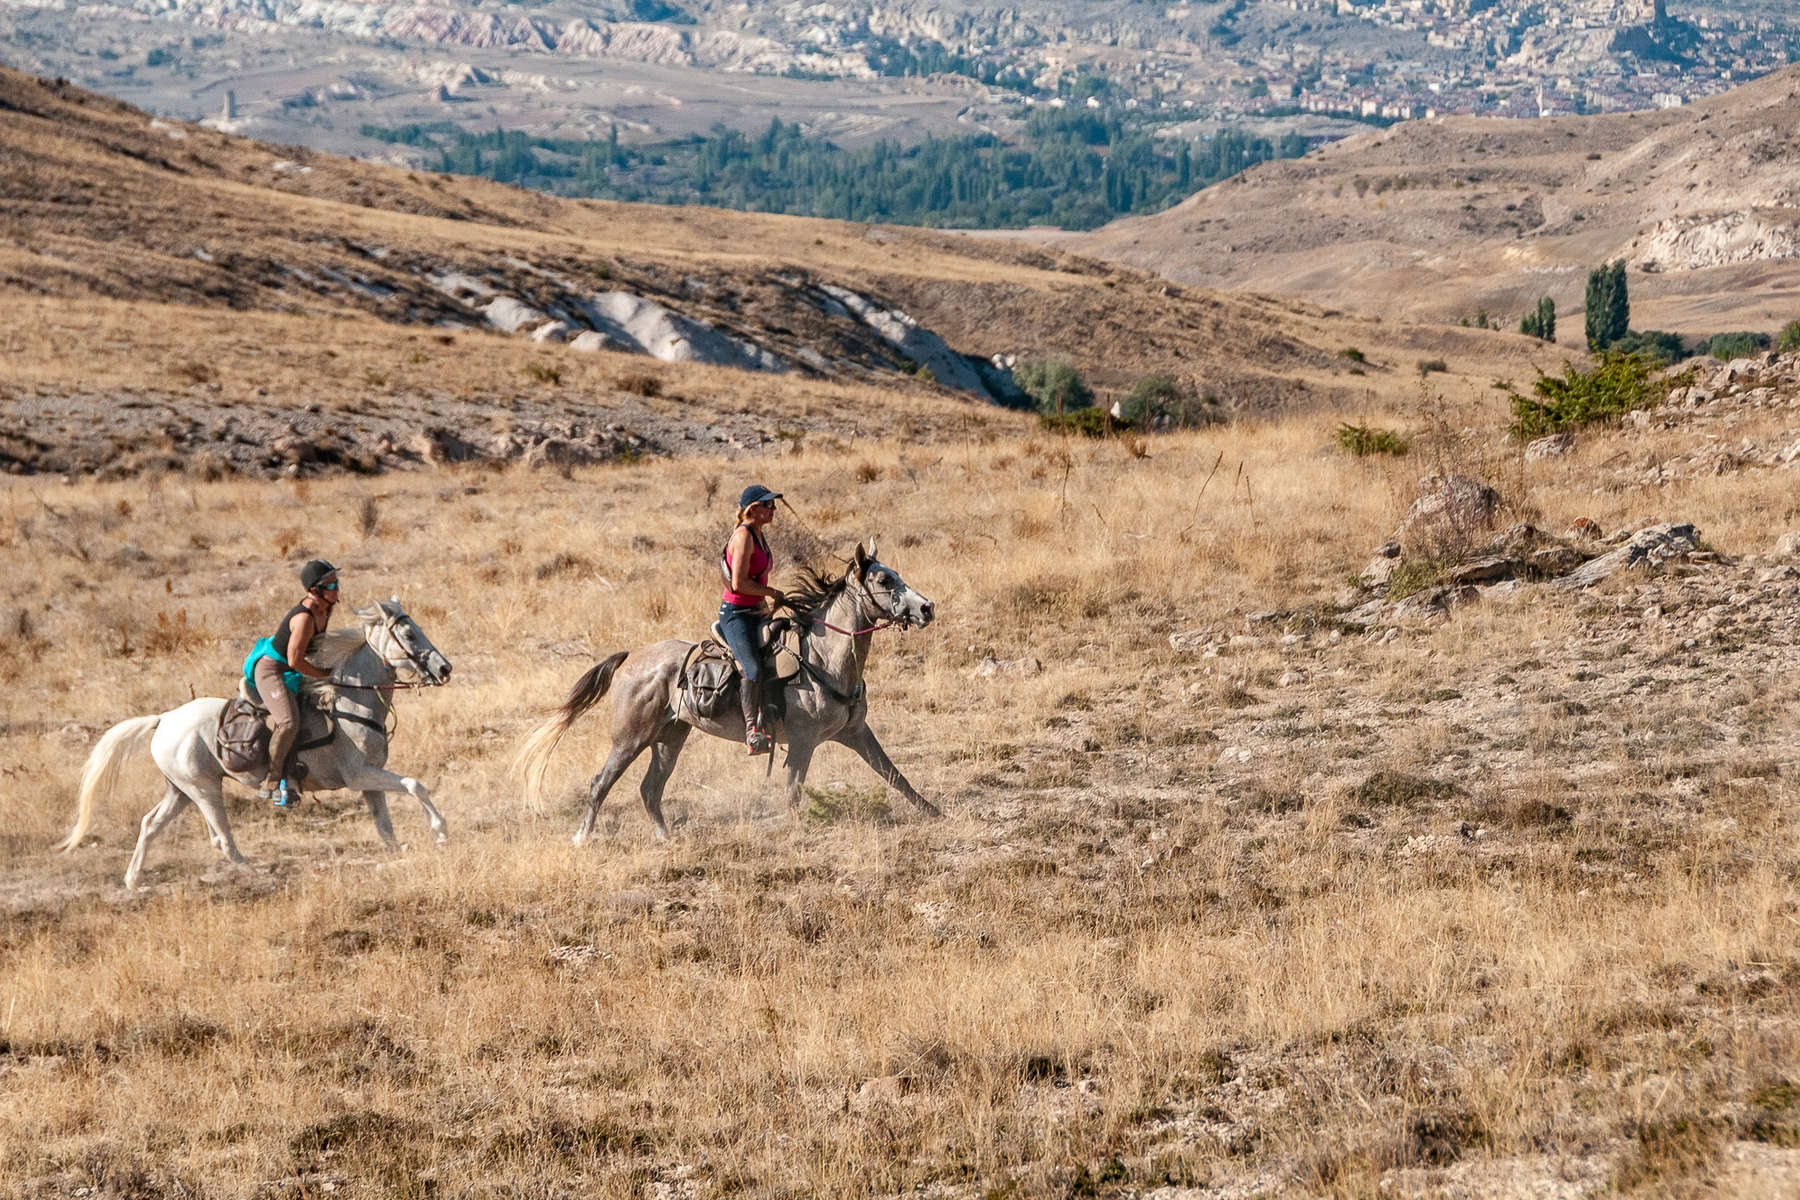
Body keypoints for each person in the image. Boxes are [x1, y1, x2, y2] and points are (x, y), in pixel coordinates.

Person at [241, 559, 340, 806]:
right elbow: (295, 661)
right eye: (332, 584)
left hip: (293, 668)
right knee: (288, 722)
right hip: (272, 669)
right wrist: (323, 674)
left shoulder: (325, 609)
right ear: (316, 590)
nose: (337, 588)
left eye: (337, 583)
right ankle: (271, 782)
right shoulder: (305, 618)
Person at [719, 485, 785, 755]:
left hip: (757, 611)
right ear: (752, 509)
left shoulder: (759, 534)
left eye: (773, 505)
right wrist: (771, 592)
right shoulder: (744, 536)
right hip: (737, 616)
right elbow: (738, 584)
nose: (773, 509)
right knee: (753, 669)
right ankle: (752, 732)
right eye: (767, 505)